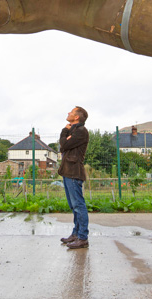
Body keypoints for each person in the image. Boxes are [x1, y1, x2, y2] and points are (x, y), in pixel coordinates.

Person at [58, 106, 90, 249]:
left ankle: (82, 237)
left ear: (76, 117)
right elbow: (63, 147)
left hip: (74, 172)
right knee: (74, 206)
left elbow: (63, 144)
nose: (68, 113)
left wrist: (65, 131)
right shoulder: (75, 131)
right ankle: (76, 234)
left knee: (78, 205)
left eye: (71, 112)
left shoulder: (81, 132)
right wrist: (67, 137)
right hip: (67, 172)